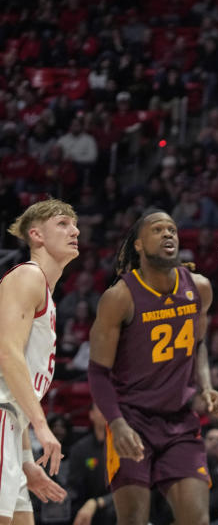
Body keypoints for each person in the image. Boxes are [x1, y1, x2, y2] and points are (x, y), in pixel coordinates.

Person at [87, 210, 218, 525]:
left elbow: (198, 345)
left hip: (180, 422)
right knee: (134, 520)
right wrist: (117, 423)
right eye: (157, 229)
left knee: (198, 520)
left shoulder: (199, 287)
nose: (168, 235)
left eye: (172, 230)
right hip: (132, 420)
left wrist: (205, 387)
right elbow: (97, 372)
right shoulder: (119, 297)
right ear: (138, 244)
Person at [0, 199, 78, 525]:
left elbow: (11, 394)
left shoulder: (43, 290)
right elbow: (7, 354)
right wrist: (43, 427)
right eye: (62, 223)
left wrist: (28, 459)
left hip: (10, 427)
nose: (74, 230)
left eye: (75, 224)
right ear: (36, 235)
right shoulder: (28, 276)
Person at [68, 404, 117, 525]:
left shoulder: (122, 447)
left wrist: (97, 502)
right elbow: (73, 487)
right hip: (85, 509)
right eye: (100, 407)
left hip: (114, 506)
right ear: (91, 415)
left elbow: (129, 488)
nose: (105, 412)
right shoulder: (79, 449)